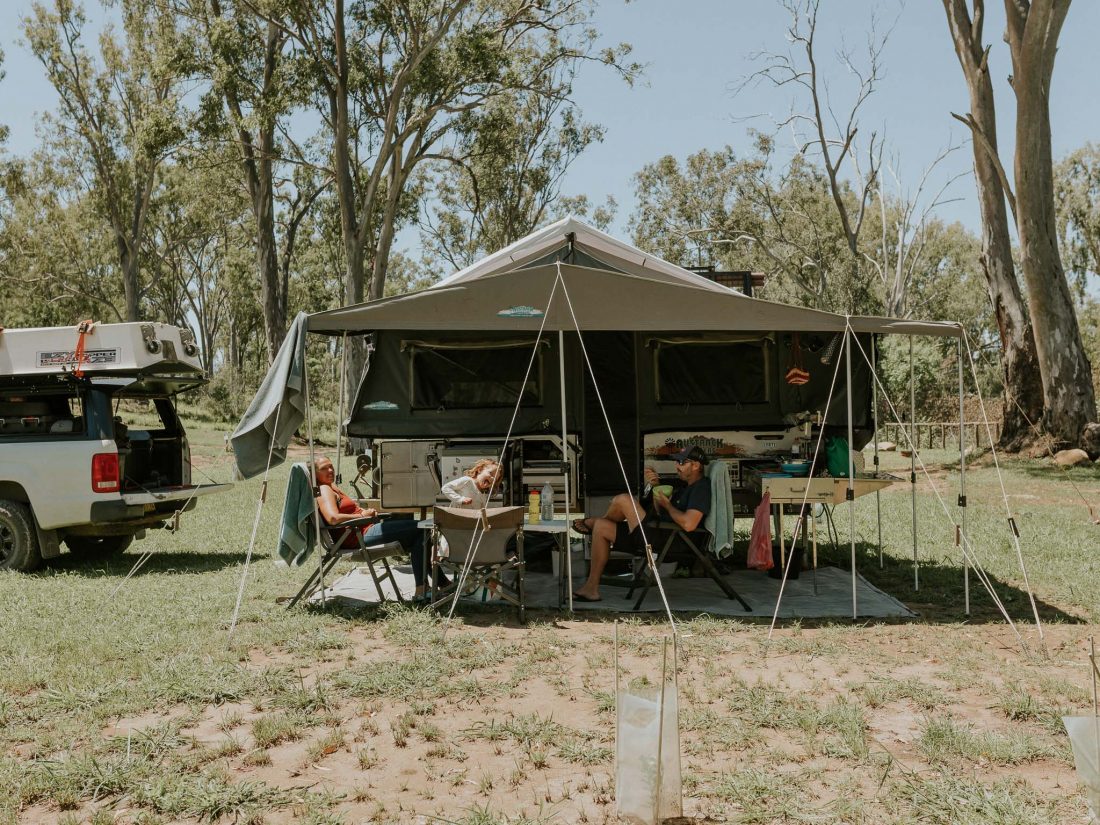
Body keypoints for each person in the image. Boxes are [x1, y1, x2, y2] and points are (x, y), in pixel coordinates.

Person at [570, 445, 711, 602]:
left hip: (672, 542)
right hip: (659, 533)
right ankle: (591, 589)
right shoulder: (685, 487)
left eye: (681, 462)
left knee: (624, 500)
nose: (676, 466)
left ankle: (594, 521)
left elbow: (688, 524)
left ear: (696, 465)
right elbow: (662, 514)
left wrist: (668, 505)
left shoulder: (701, 489)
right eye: (676, 462)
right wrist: (656, 490)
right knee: (602, 528)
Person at [313, 456, 432, 599]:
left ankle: (426, 587)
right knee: (420, 528)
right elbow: (333, 518)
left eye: (331, 466)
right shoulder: (324, 489)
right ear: (315, 473)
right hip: (357, 536)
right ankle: (425, 588)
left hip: (363, 529)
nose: (330, 470)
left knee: (420, 534)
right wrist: (362, 515)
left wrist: (367, 514)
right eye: (324, 468)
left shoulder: (331, 487)